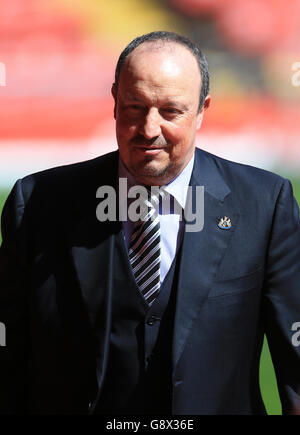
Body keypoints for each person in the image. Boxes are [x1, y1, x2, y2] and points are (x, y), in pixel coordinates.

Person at [0, 30, 300, 415]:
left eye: (171, 111)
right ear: (114, 102)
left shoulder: (265, 205)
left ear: (202, 109)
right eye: (135, 107)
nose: (149, 129)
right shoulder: (38, 203)